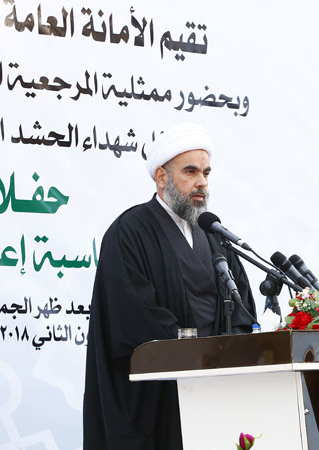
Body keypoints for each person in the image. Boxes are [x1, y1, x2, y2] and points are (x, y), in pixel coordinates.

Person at [83, 123, 257, 450]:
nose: (201, 182)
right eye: (190, 171)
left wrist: (229, 349)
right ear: (162, 177)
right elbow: (133, 313)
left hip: (215, 394)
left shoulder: (213, 234)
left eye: (206, 172)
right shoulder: (129, 232)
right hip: (157, 398)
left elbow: (241, 305)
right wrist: (192, 348)